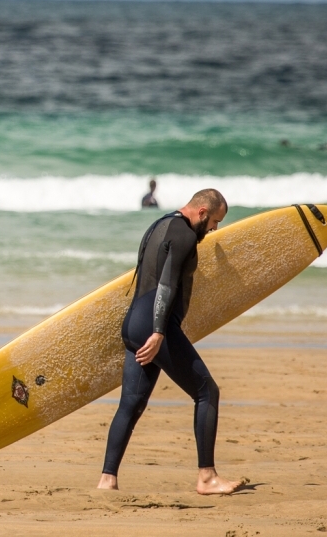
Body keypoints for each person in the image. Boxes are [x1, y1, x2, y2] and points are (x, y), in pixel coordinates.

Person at [99, 189, 245, 495]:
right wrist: (159, 332)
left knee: (131, 403)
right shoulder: (185, 236)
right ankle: (207, 478)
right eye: (215, 221)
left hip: (133, 323)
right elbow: (166, 285)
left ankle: (107, 480)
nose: (215, 229)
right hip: (154, 326)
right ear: (202, 212)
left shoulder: (159, 225)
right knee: (207, 392)